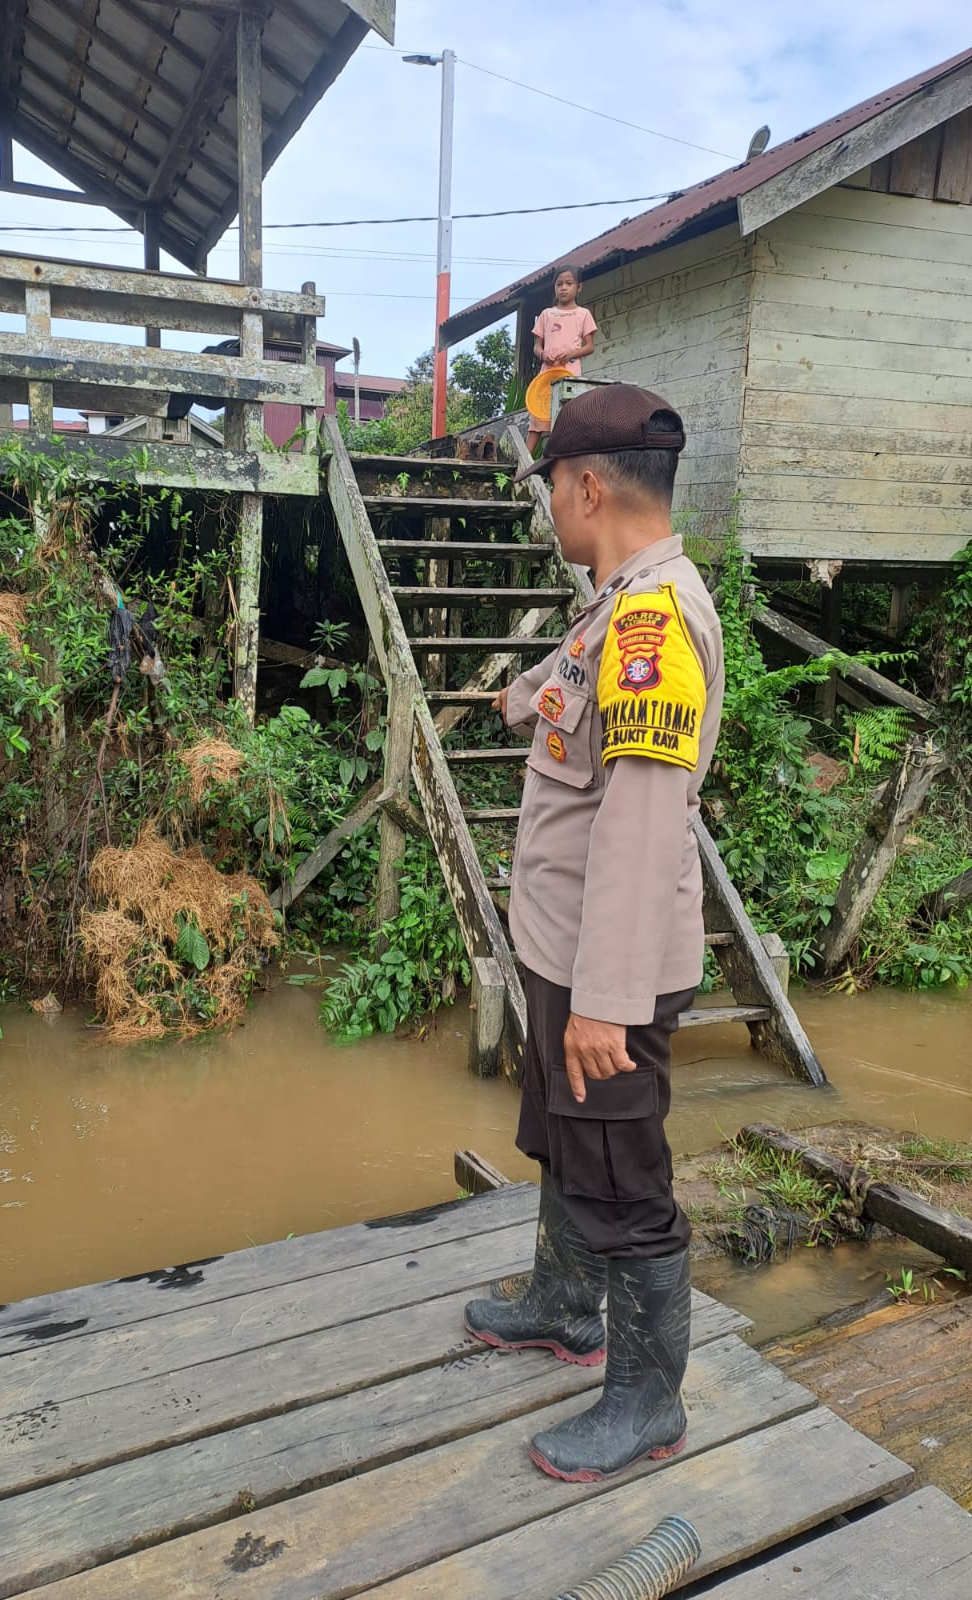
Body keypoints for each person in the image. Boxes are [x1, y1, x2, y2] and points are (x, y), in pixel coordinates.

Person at [463, 383, 724, 1484]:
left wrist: (607, 1003)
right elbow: (575, 679)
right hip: (560, 951)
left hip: (602, 971)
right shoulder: (617, 605)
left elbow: (642, 822)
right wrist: (515, 698)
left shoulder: (655, 623)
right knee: (564, 1136)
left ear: (586, 488)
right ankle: (566, 1304)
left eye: (551, 490)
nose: (550, 507)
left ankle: (649, 1401)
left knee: (624, 1181)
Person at [526, 267, 597, 457]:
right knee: (538, 417)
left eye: (569, 283)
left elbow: (590, 346)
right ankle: (523, 464)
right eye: (559, 284)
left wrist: (571, 353)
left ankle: (561, 461)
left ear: (579, 287)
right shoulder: (547, 314)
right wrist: (543, 355)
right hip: (547, 373)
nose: (563, 288)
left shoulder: (583, 314)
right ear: (554, 288)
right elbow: (536, 346)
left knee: (567, 416)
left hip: (570, 373)